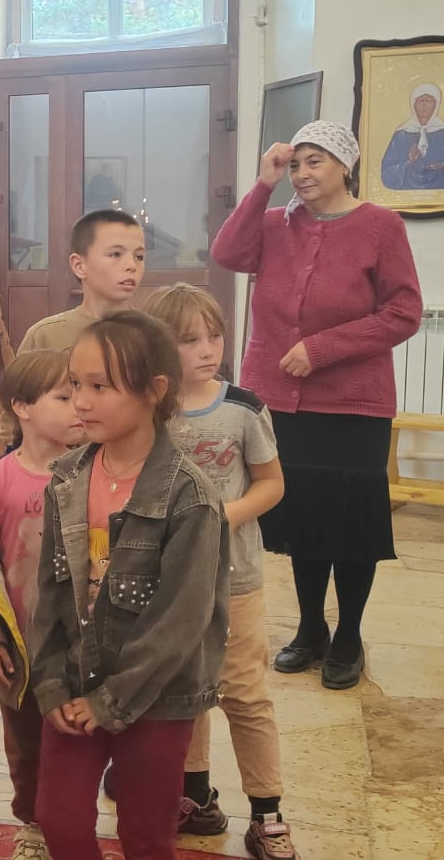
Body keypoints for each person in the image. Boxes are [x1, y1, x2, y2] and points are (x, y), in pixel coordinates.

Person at [211, 121, 422, 690]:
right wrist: (263, 184)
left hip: (354, 404)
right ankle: (310, 629)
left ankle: (348, 634)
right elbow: (227, 253)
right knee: (301, 517)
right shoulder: (274, 224)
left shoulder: (381, 225)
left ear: (345, 166)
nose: (301, 175)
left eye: (315, 162)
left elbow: (403, 312)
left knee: (350, 522)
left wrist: (322, 349)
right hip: (280, 400)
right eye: (295, 164)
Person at [29, 310, 230, 860]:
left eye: (100, 386)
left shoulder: (190, 496)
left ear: (153, 391)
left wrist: (111, 701)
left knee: (146, 835)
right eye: (75, 384)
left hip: (158, 694)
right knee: (59, 820)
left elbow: (181, 620)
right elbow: (49, 594)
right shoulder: (67, 478)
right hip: (75, 679)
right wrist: (51, 684)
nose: (81, 401)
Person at [143, 284, 298, 860]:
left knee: (245, 693)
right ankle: (195, 796)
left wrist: (223, 516)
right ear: (160, 346)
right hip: (168, 581)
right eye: (190, 340)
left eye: (214, 336)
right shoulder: (146, 410)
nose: (208, 349)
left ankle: (267, 814)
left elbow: (272, 484)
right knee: (184, 689)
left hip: (235, 581)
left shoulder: (244, 409)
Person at [0, 348, 84, 860]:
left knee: (78, 740)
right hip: (23, 643)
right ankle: (33, 825)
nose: (80, 405)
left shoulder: (94, 472)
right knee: (26, 743)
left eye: (83, 392)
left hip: (81, 641)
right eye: (64, 396)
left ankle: (74, 824)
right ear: (22, 406)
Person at [17, 210, 145, 354]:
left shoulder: (153, 334)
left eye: (139, 257)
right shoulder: (44, 336)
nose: (132, 265)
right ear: (79, 265)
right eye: (115, 254)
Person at [380, 83, 444, 190]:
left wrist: (441, 165)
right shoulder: (402, 134)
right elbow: (387, 172)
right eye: (420, 101)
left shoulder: (442, 132)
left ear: (436, 104)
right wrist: (409, 162)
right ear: (413, 105)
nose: (424, 105)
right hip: (407, 190)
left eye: (429, 100)